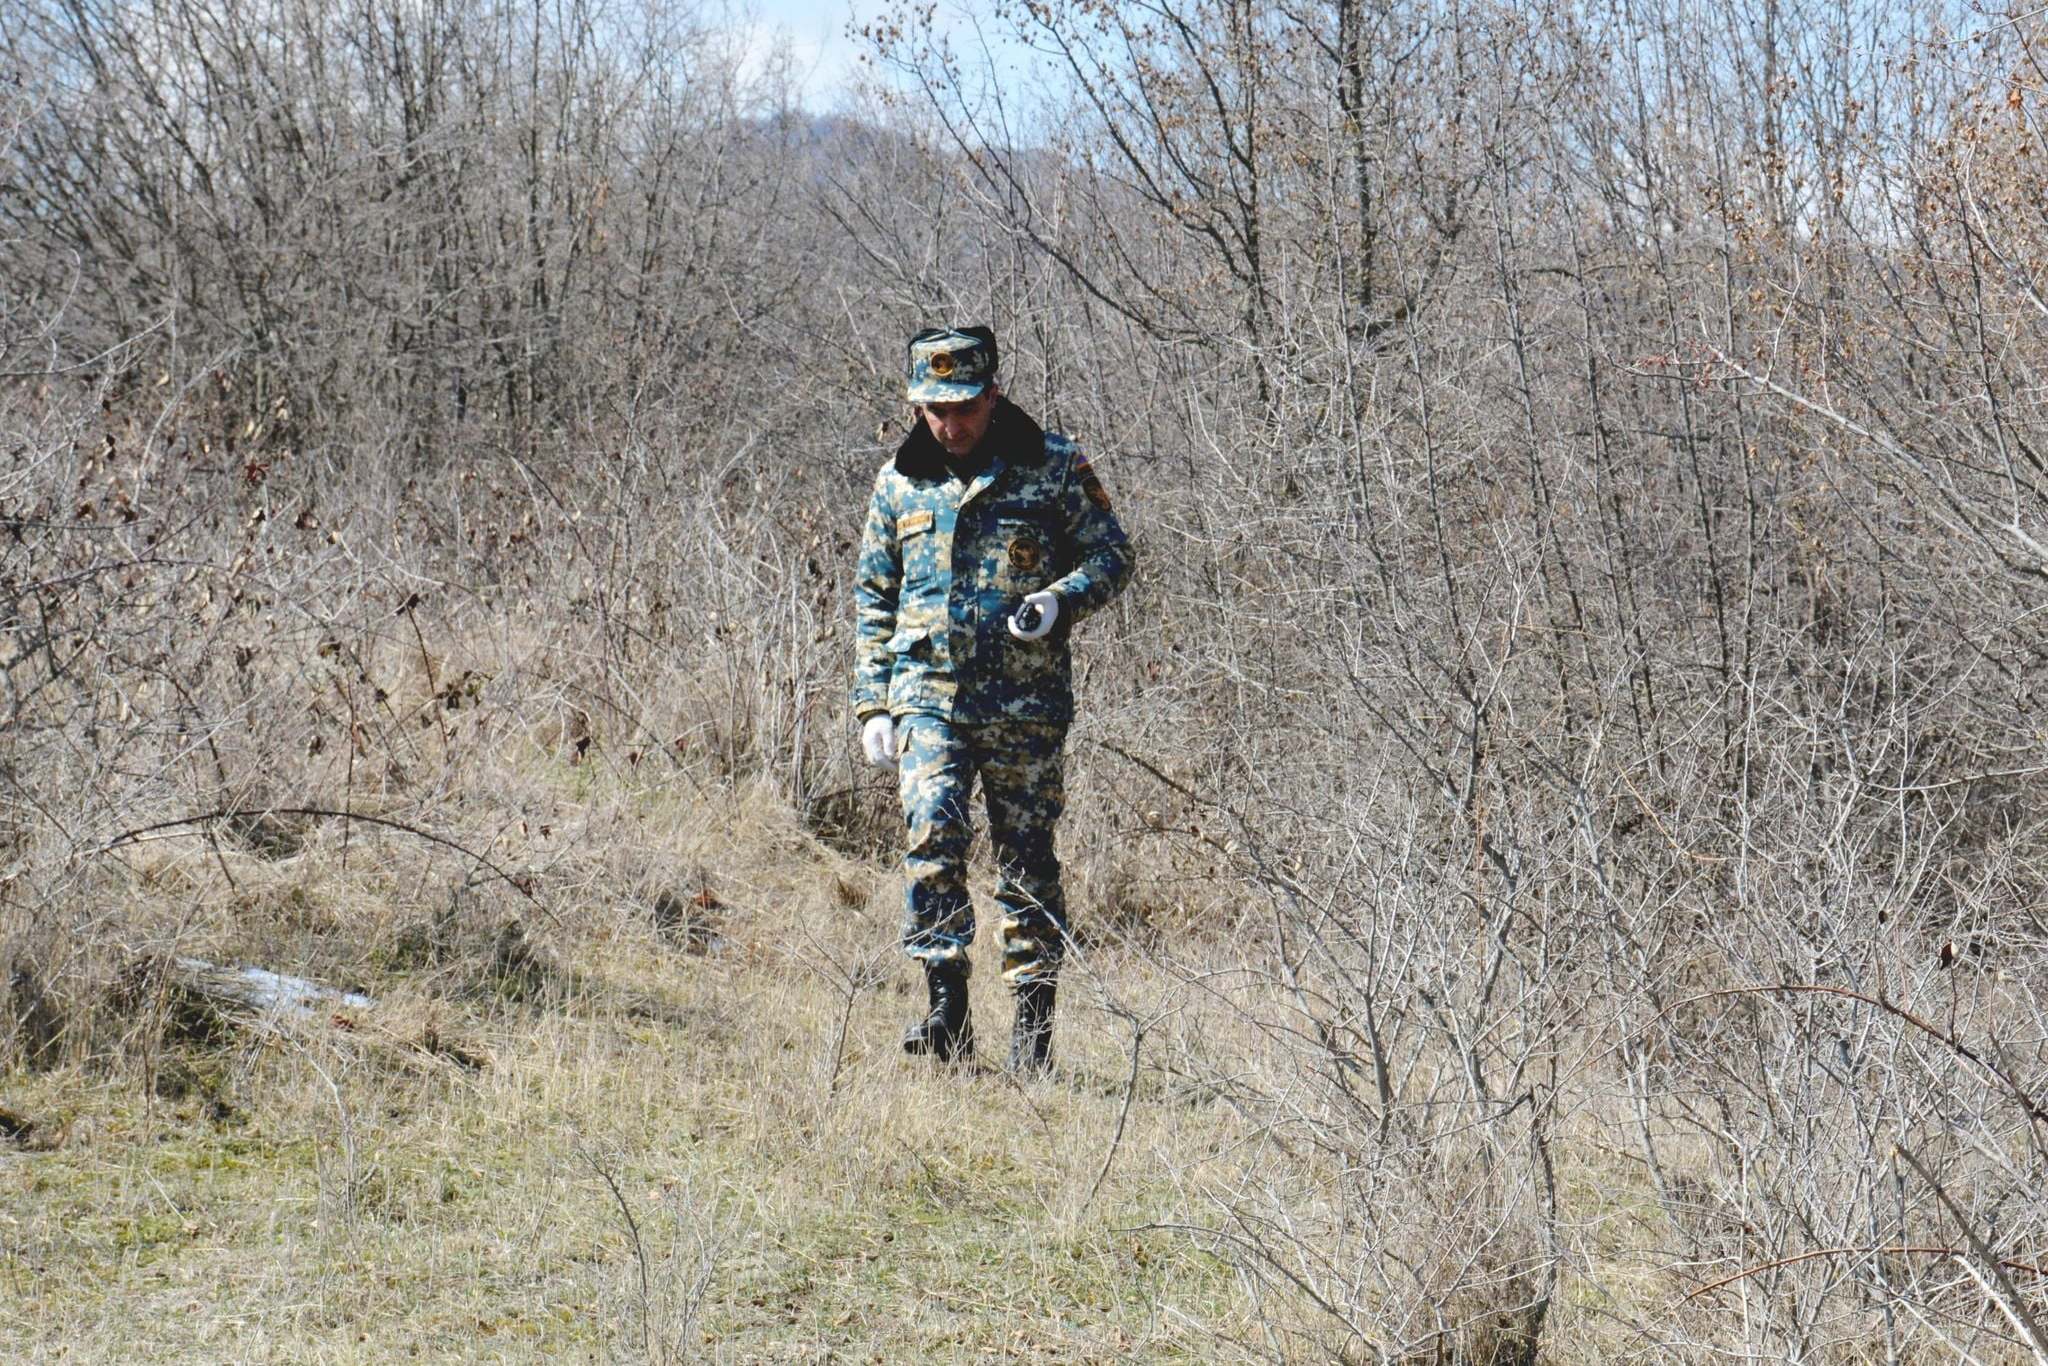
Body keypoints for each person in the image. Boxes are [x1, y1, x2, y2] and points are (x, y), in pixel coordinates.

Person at [851, 325, 1134, 1074]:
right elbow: (873, 597)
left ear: (993, 395)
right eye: (937, 409)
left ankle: (1033, 1033)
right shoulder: (899, 482)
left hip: (1025, 703)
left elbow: (1113, 553)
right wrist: (872, 704)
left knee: (1027, 860)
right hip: (928, 696)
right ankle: (946, 1009)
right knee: (932, 834)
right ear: (917, 406)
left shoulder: (1051, 463)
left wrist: (1061, 599)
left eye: (966, 407)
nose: (953, 424)